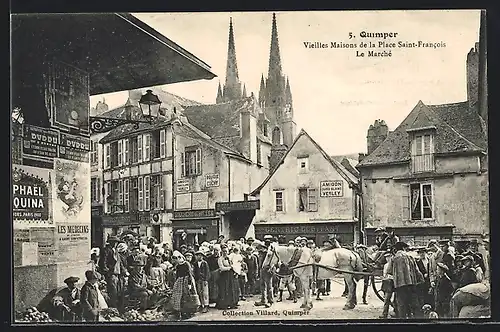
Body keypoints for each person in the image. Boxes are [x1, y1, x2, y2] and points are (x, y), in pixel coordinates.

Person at [387, 241, 420, 318]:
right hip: (411, 283)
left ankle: (403, 320)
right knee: (411, 302)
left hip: (399, 285)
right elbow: (417, 270)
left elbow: (389, 271)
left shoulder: (394, 258)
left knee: (401, 304)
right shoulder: (410, 257)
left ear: (396, 249)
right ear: (404, 248)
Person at [97, 236, 126, 311]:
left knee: (120, 292)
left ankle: (119, 308)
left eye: (116, 242)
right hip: (112, 275)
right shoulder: (106, 250)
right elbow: (103, 263)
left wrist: (124, 271)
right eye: (114, 242)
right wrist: (108, 272)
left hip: (118, 274)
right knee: (113, 293)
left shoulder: (115, 251)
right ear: (111, 242)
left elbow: (119, 263)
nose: (115, 244)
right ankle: (113, 308)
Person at [171, 250, 200, 320]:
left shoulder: (186, 264)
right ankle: (181, 312)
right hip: (180, 282)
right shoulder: (178, 266)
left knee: (187, 297)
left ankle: (189, 312)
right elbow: (177, 275)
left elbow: (190, 274)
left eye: (176, 259)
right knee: (179, 297)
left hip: (187, 281)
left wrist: (189, 284)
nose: (176, 260)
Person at [216, 244, 239, 309]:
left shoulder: (230, 258)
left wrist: (234, 269)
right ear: (221, 252)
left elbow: (234, 265)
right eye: (223, 251)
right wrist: (229, 268)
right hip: (224, 275)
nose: (225, 253)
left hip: (231, 275)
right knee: (224, 289)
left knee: (231, 289)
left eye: (226, 251)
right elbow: (221, 268)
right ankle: (224, 304)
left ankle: (232, 303)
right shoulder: (220, 259)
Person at [254, 240, 274, 308]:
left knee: (269, 286)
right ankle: (263, 300)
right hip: (261, 270)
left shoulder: (270, 253)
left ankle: (270, 301)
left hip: (267, 270)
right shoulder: (261, 253)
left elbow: (273, 262)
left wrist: (271, 268)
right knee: (262, 285)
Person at [379, 252, 396, 319]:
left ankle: (395, 311)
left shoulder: (394, 264)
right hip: (387, 284)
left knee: (395, 299)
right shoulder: (385, 265)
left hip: (393, 283)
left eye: (389, 257)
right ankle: (385, 313)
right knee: (386, 299)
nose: (387, 259)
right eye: (386, 257)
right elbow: (384, 275)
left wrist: (389, 277)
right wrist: (384, 278)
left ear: (391, 257)